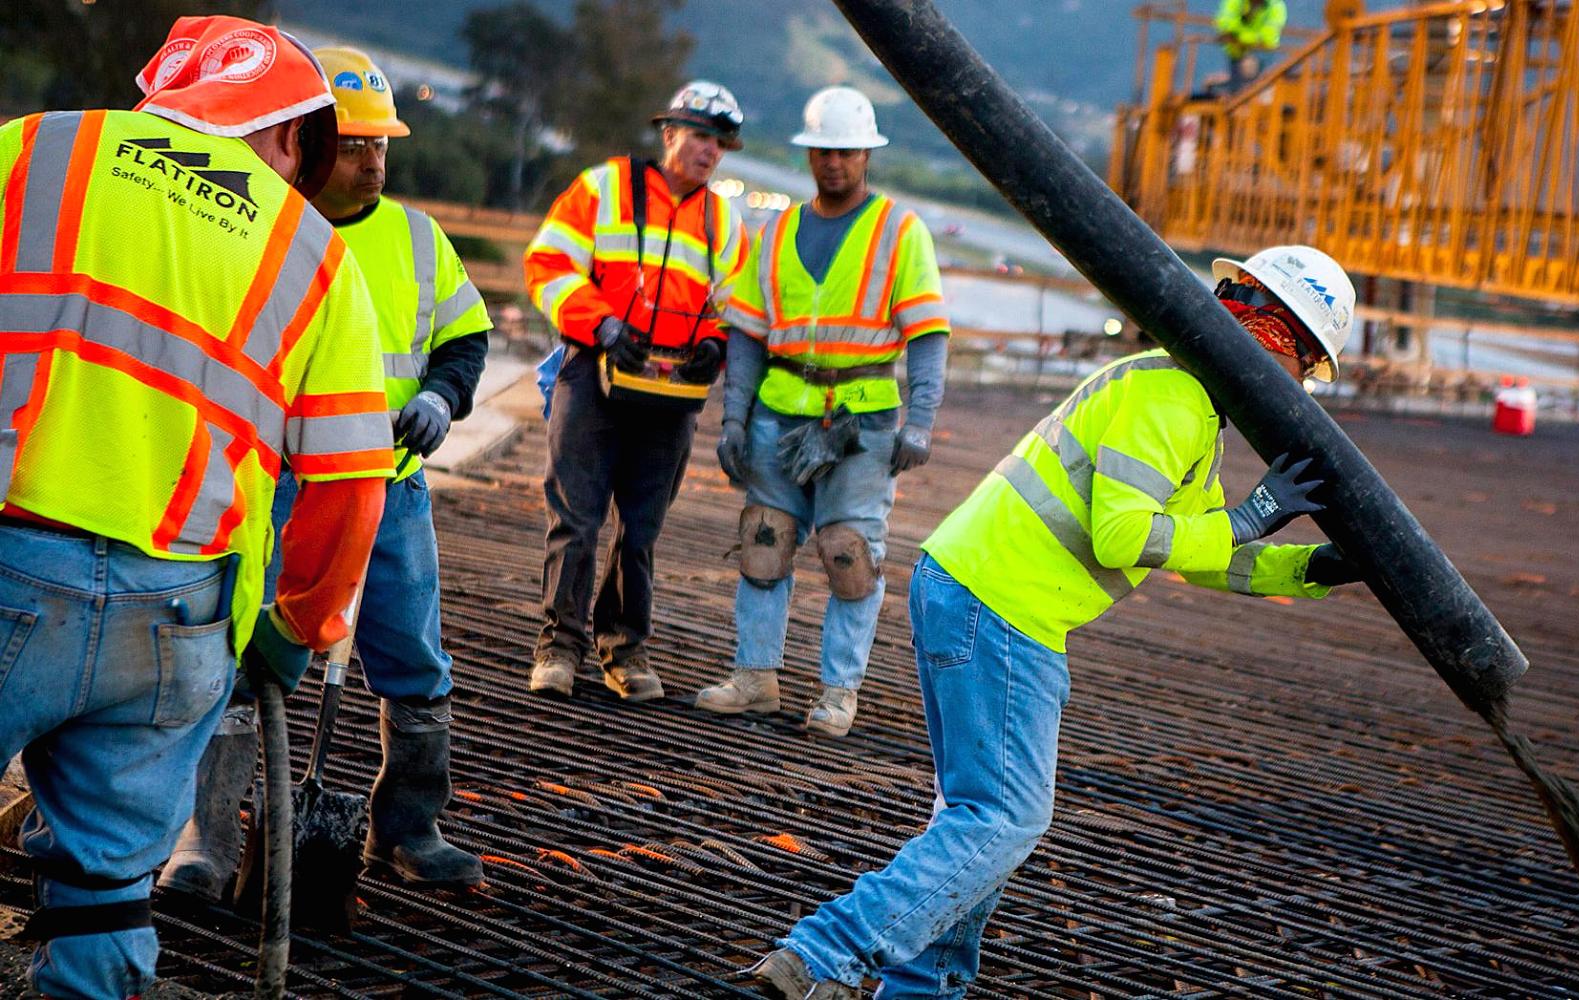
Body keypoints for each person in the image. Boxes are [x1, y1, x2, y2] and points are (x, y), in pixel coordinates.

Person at [744, 246, 1369, 999]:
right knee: (1003, 818)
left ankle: (922, 986)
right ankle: (823, 958)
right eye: (1302, 364)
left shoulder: (1188, 413)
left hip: (980, 593)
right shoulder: (1170, 399)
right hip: (1002, 605)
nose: (1298, 387)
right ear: (1270, 337)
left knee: (978, 821)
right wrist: (1257, 512)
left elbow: (1200, 549)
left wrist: (1305, 567)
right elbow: (1123, 537)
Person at [0, 16, 391, 998]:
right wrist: (295, 630)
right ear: (294, 135)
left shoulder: (38, 147)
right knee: (106, 892)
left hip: (12, 561)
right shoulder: (315, 254)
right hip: (180, 622)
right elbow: (349, 487)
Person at [158, 47, 494, 902]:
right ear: (306, 142)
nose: (374, 160)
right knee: (233, 653)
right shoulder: (253, 227)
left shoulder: (418, 237)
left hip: (389, 484)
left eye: (382, 144)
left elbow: (463, 338)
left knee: (413, 659)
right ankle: (205, 839)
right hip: (268, 488)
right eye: (355, 145)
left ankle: (410, 826)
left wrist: (446, 402)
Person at [697, 86, 950, 738]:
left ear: (866, 153)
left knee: (848, 553)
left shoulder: (900, 230)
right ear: (809, 155)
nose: (833, 162)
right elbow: (748, 334)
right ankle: (755, 679)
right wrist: (733, 418)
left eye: (845, 151)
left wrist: (920, 421)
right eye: (822, 152)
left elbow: (927, 335)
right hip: (779, 412)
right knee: (764, 541)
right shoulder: (776, 230)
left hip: (862, 423)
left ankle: (838, 692)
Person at [524, 80, 750, 700]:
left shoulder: (722, 220)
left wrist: (715, 342)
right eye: (701, 136)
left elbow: (737, 306)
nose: (710, 152)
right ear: (669, 133)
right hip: (591, 373)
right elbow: (547, 264)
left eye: (721, 143)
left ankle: (625, 649)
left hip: (672, 392)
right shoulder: (604, 189)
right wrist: (599, 321)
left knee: (641, 528)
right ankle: (558, 648)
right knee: (575, 516)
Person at [1216, 0, 1287, 89]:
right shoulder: (1234, 2)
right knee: (1237, 89)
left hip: (1259, 54)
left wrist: (1239, 37)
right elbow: (1225, 26)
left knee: (1251, 82)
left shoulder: (1276, 6)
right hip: (1234, 52)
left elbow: (1268, 40)